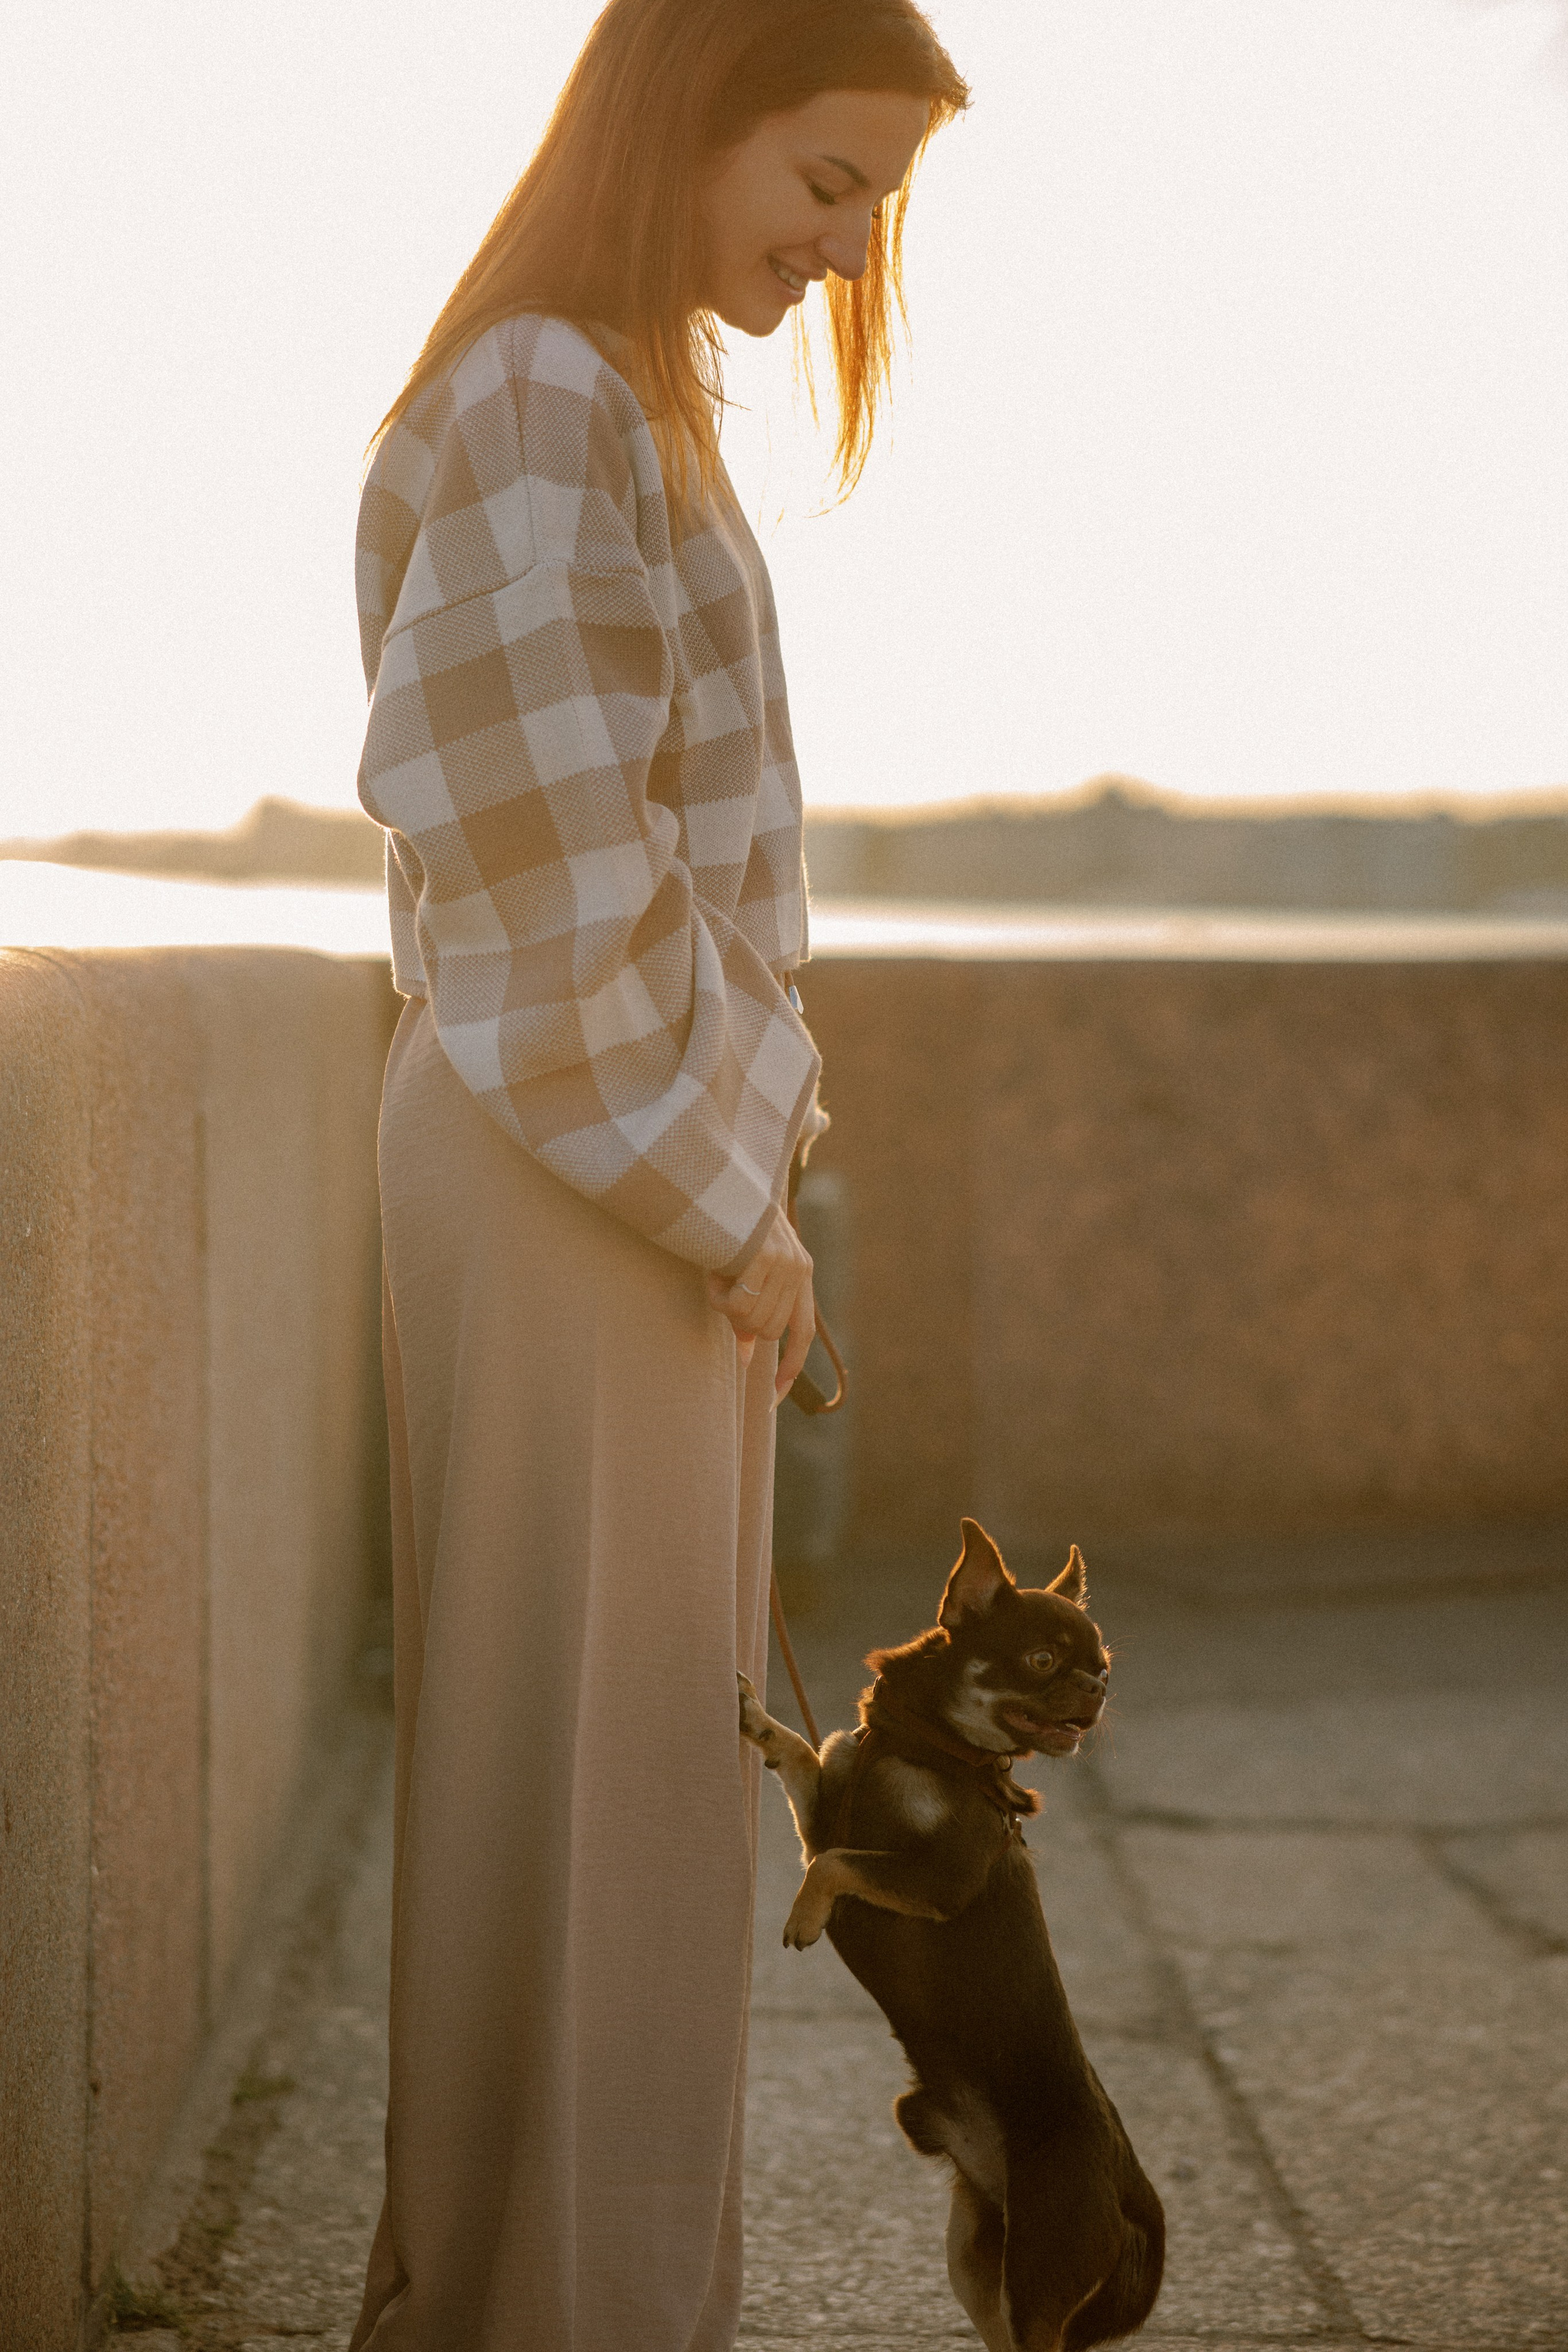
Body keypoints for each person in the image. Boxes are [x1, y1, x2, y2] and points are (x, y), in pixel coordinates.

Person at [349, 4, 967, 2345]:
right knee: (582, 1812)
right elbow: (546, 883)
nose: (846, 243)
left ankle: (564, 2307)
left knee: (628, 1817)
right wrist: (744, 1211)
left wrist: (743, 1202)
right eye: (824, 177)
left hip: (596, 1159)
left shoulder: (606, 396)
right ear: (677, 124)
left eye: (876, 200)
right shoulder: (537, 393)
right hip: (571, 1161)